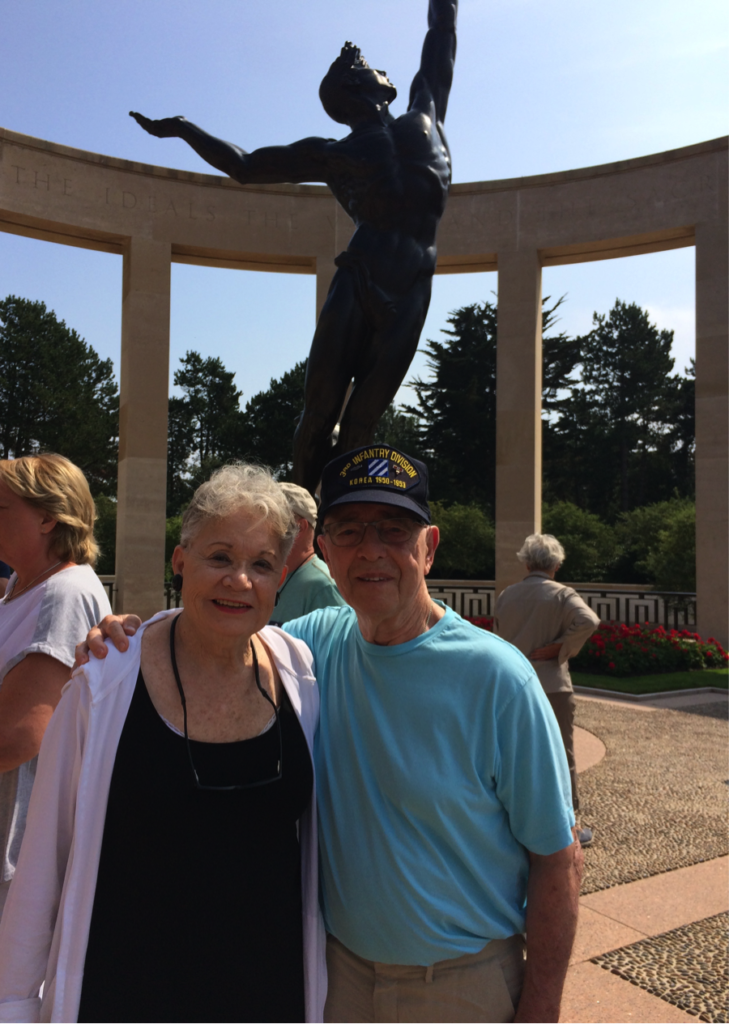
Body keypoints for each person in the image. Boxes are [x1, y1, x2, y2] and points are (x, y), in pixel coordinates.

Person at [79, 445, 582, 1024]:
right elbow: (222, 626)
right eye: (349, 530)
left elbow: (557, 859)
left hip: (459, 985)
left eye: (395, 529)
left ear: (430, 545)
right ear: (323, 549)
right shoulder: (310, 644)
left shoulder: (497, 678)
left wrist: (541, 1007)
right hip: (337, 978)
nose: (371, 549)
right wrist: (126, 637)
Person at [0, 464, 326, 1024]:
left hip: (266, 993)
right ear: (181, 561)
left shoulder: (302, 670)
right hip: (127, 992)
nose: (239, 580)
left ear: (282, 578)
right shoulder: (105, 678)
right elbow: (44, 859)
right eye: (219, 557)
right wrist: (13, 1005)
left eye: (262, 564)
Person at [130, 0, 457, 493]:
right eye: (370, 67)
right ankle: (305, 526)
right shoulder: (335, 153)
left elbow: (443, 31)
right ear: (354, 87)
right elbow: (245, 166)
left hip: (411, 287)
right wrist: (182, 128)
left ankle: (338, 522)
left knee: (363, 420)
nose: (383, 69)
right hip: (362, 275)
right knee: (320, 411)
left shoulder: (424, 112)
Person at [0, 454, 111, 920]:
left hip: (19, 855)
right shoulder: (21, 588)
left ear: (47, 517)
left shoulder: (63, 594)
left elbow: (17, 737)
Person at [495, 533, 601, 847]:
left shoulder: (507, 595)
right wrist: (561, 648)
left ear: (526, 562)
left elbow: (498, 637)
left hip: (512, 686)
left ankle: (514, 821)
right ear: (556, 564)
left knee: (512, 753)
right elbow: (589, 620)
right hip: (552, 684)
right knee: (561, 754)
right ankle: (570, 826)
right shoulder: (562, 594)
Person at [270, 483, 345, 624]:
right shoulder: (273, 576)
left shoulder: (323, 587)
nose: (264, 526)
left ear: (299, 528)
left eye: (273, 520)